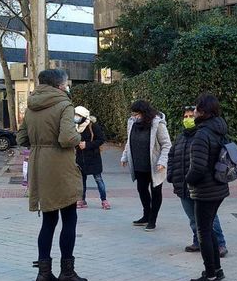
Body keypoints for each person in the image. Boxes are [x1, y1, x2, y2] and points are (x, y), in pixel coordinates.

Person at [17, 69, 87, 281]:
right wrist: (78, 136)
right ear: (59, 85)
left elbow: (21, 137)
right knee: (69, 218)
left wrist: (40, 145)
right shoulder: (64, 105)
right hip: (60, 164)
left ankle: (43, 274)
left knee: (48, 221)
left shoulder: (31, 106)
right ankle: (67, 272)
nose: (67, 87)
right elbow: (67, 137)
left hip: (39, 163)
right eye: (66, 83)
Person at [167, 105, 228, 257]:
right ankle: (198, 240)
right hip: (182, 185)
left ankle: (219, 244)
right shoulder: (181, 137)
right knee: (192, 218)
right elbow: (172, 155)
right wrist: (171, 175)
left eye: (191, 116)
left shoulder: (202, 136)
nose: (187, 119)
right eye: (185, 117)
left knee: (209, 218)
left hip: (200, 186)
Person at [185, 94, 231, 281]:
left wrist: (188, 181)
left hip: (205, 189)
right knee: (209, 228)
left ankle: (210, 276)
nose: (192, 113)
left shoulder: (202, 134)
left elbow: (198, 167)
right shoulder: (219, 129)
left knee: (203, 232)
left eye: (195, 109)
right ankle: (216, 270)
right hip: (219, 186)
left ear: (202, 112)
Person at [120, 100, 171, 231]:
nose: (135, 116)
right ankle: (146, 215)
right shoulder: (131, 123)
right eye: (133, 114)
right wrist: (125, 156)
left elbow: (166, 144)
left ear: (144, 113)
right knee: (142, 189)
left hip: (155, 165)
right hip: (139, 164)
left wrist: (162, 161)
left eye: (137, 114)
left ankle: (152, 219)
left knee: (156, 192)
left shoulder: (157, 124)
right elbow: (129, 141)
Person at [74, 105, 110, 210]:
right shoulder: (75, 127)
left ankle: (104, 200)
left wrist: (87, 145)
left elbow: (101, 139)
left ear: (84, 116)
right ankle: (82, 200)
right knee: (81, 180)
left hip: (93, 158)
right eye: (75, 115)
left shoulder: (92, 126)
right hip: (80, 158)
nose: (76, 117)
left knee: (98, 179)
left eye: (78, 115)